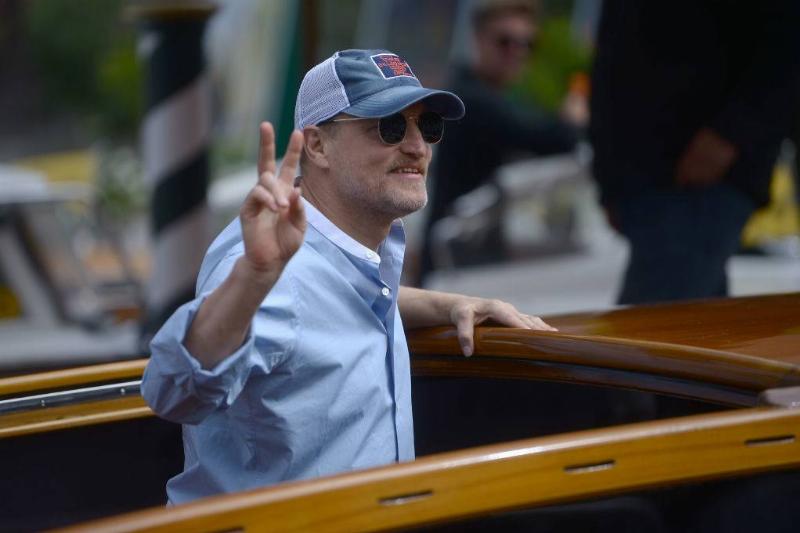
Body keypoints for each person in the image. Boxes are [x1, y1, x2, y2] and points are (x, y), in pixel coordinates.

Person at [142, 49, 556, 504]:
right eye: (390, 127)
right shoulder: (268, 267)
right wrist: (253, 277)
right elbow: (175, 394)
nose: (417, 146)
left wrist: (448, 304)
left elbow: (348, 298)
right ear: (318, 146)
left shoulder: (337, 253)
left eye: (428, 126)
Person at [590, 0, 800, 304]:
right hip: (645, 181)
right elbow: (614, 51)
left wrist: (731, 134)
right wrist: (609, 180)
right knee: (695, 332)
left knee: (650, 338)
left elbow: (786, 43)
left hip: (696, 177)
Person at [419, 0, 584, 282]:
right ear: (479, 39)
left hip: (469, 256)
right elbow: (549, 137)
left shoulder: (489, 95)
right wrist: (573, 119)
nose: (517, 53)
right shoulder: (471, 100)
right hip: (454, 263)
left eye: (528, 44)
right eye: (505, 41)